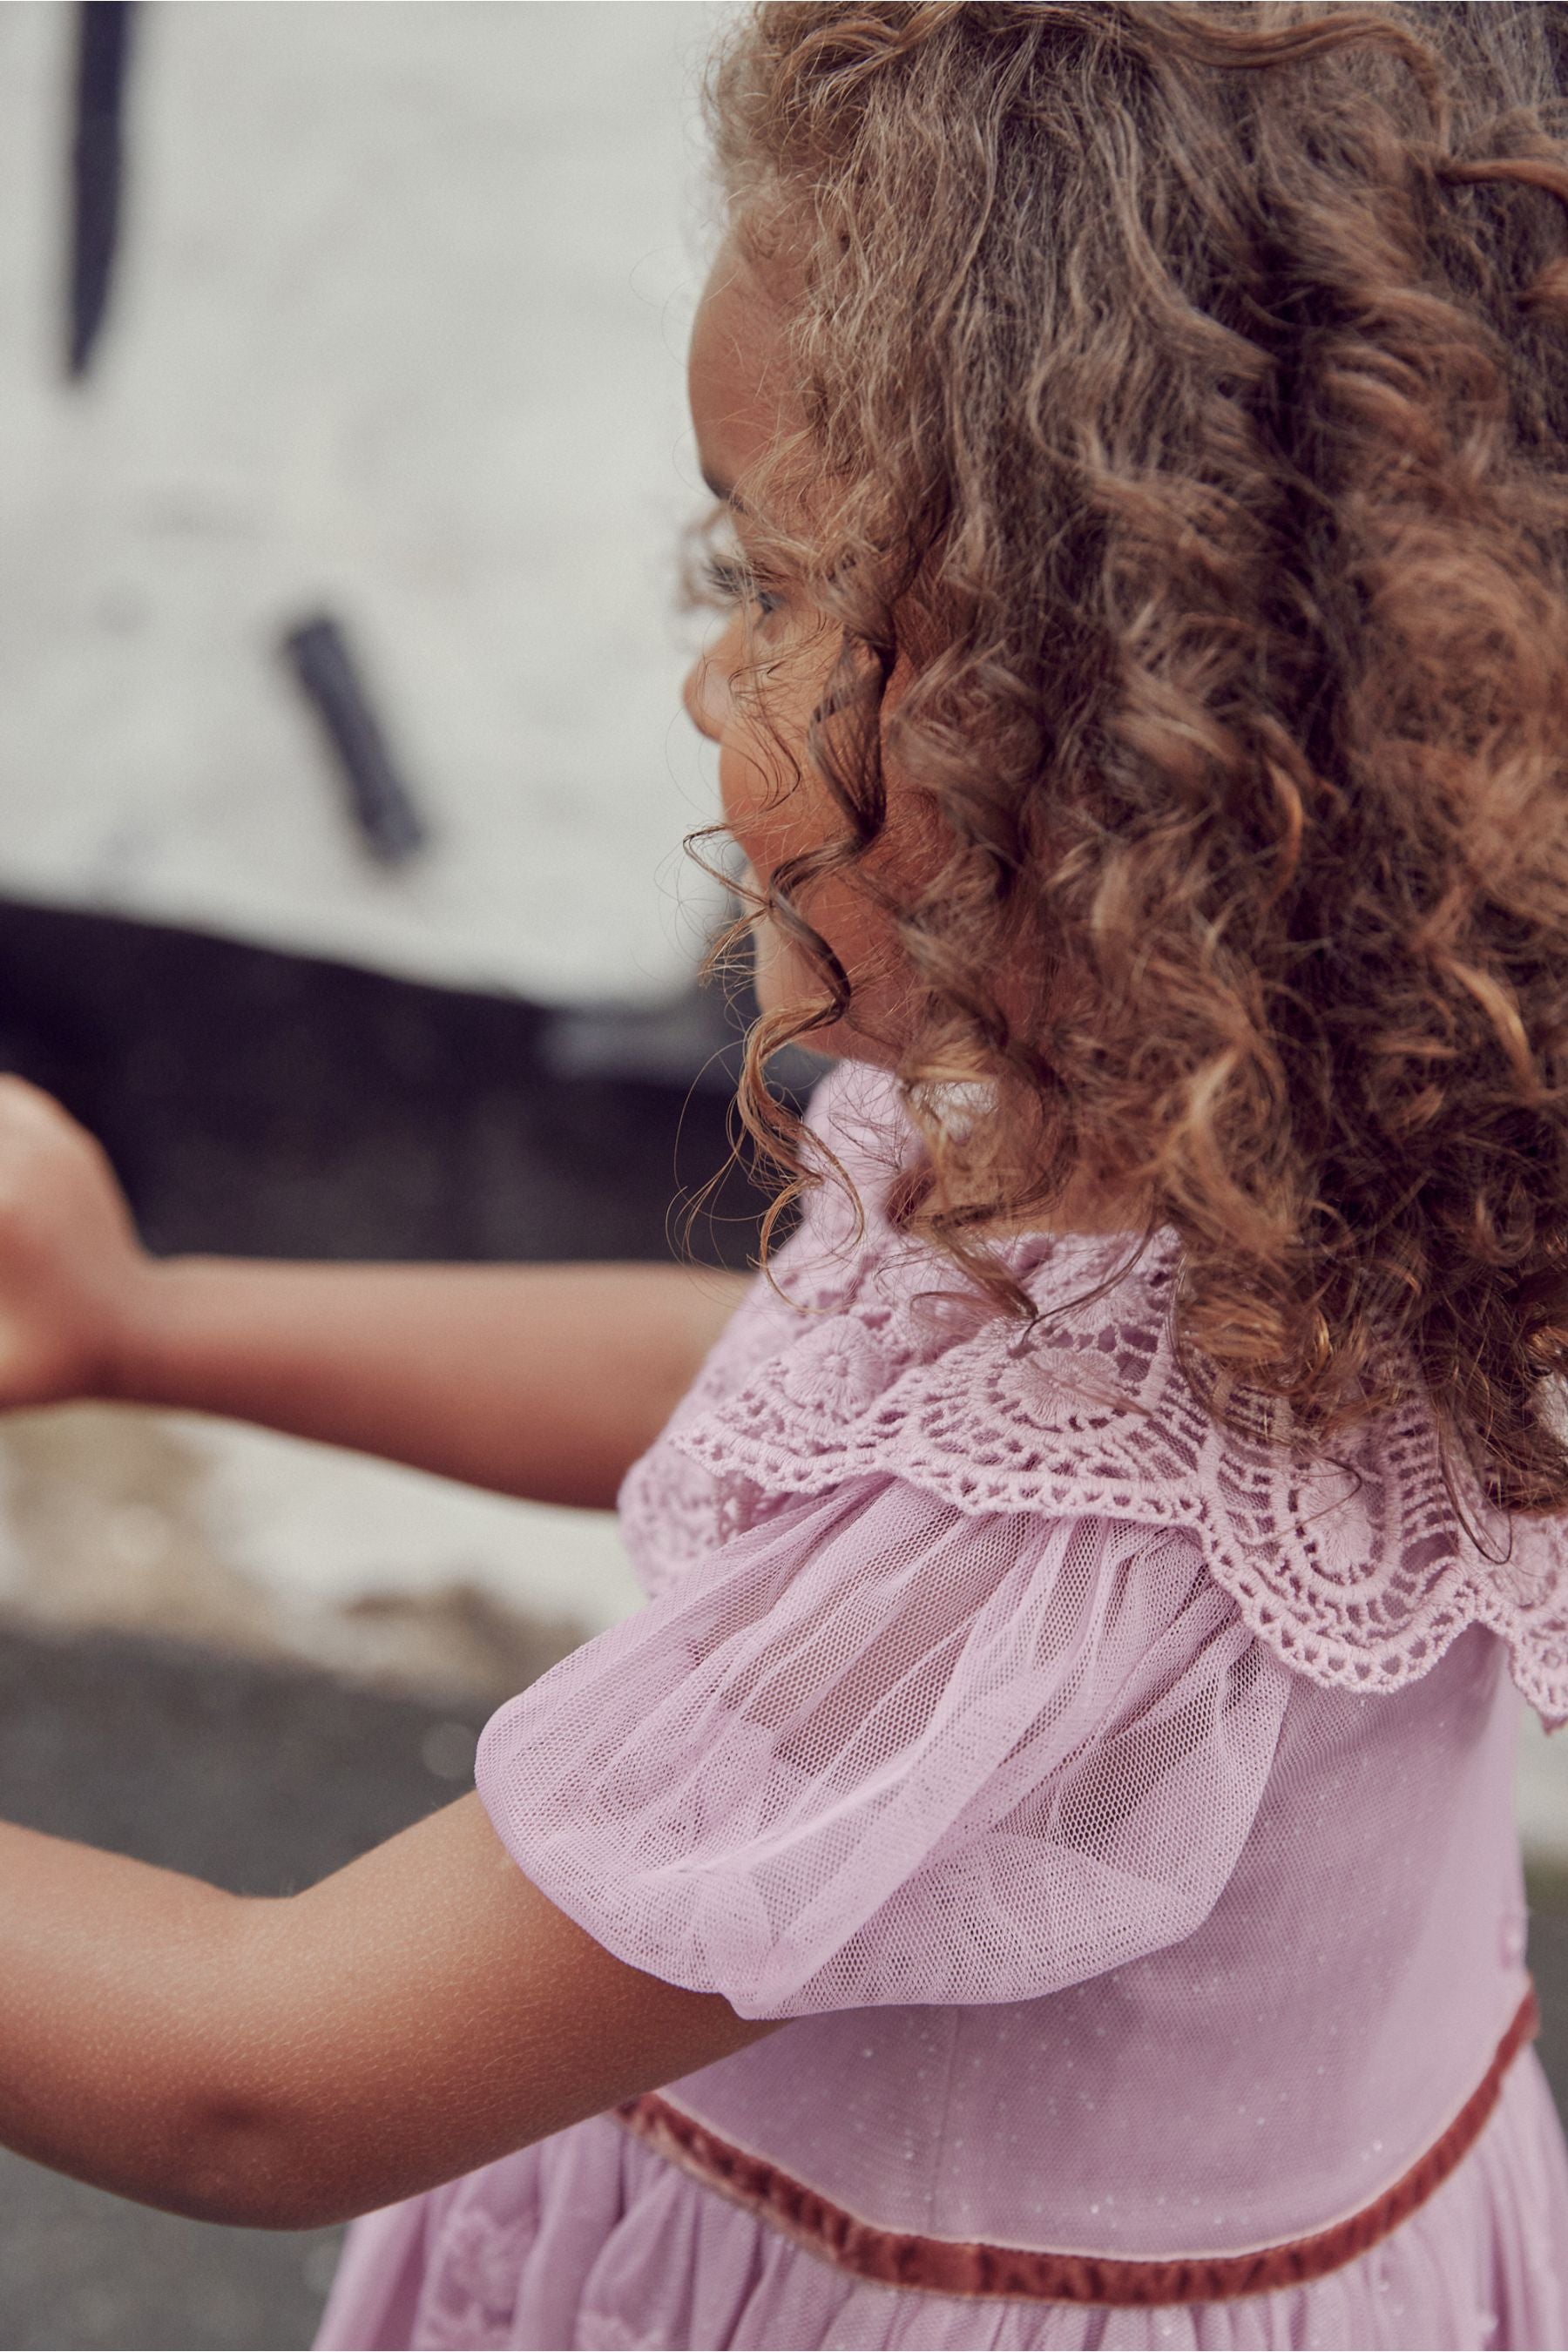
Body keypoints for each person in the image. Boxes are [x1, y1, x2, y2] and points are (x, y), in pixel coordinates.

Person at [0, 3, 1567, 2344]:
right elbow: (802, 1393)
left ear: (1165, 717)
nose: (706, 687)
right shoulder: (1274, 1155)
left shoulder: (1086, 1505)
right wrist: (141, 1317)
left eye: (780, 586)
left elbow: (264, 2073)